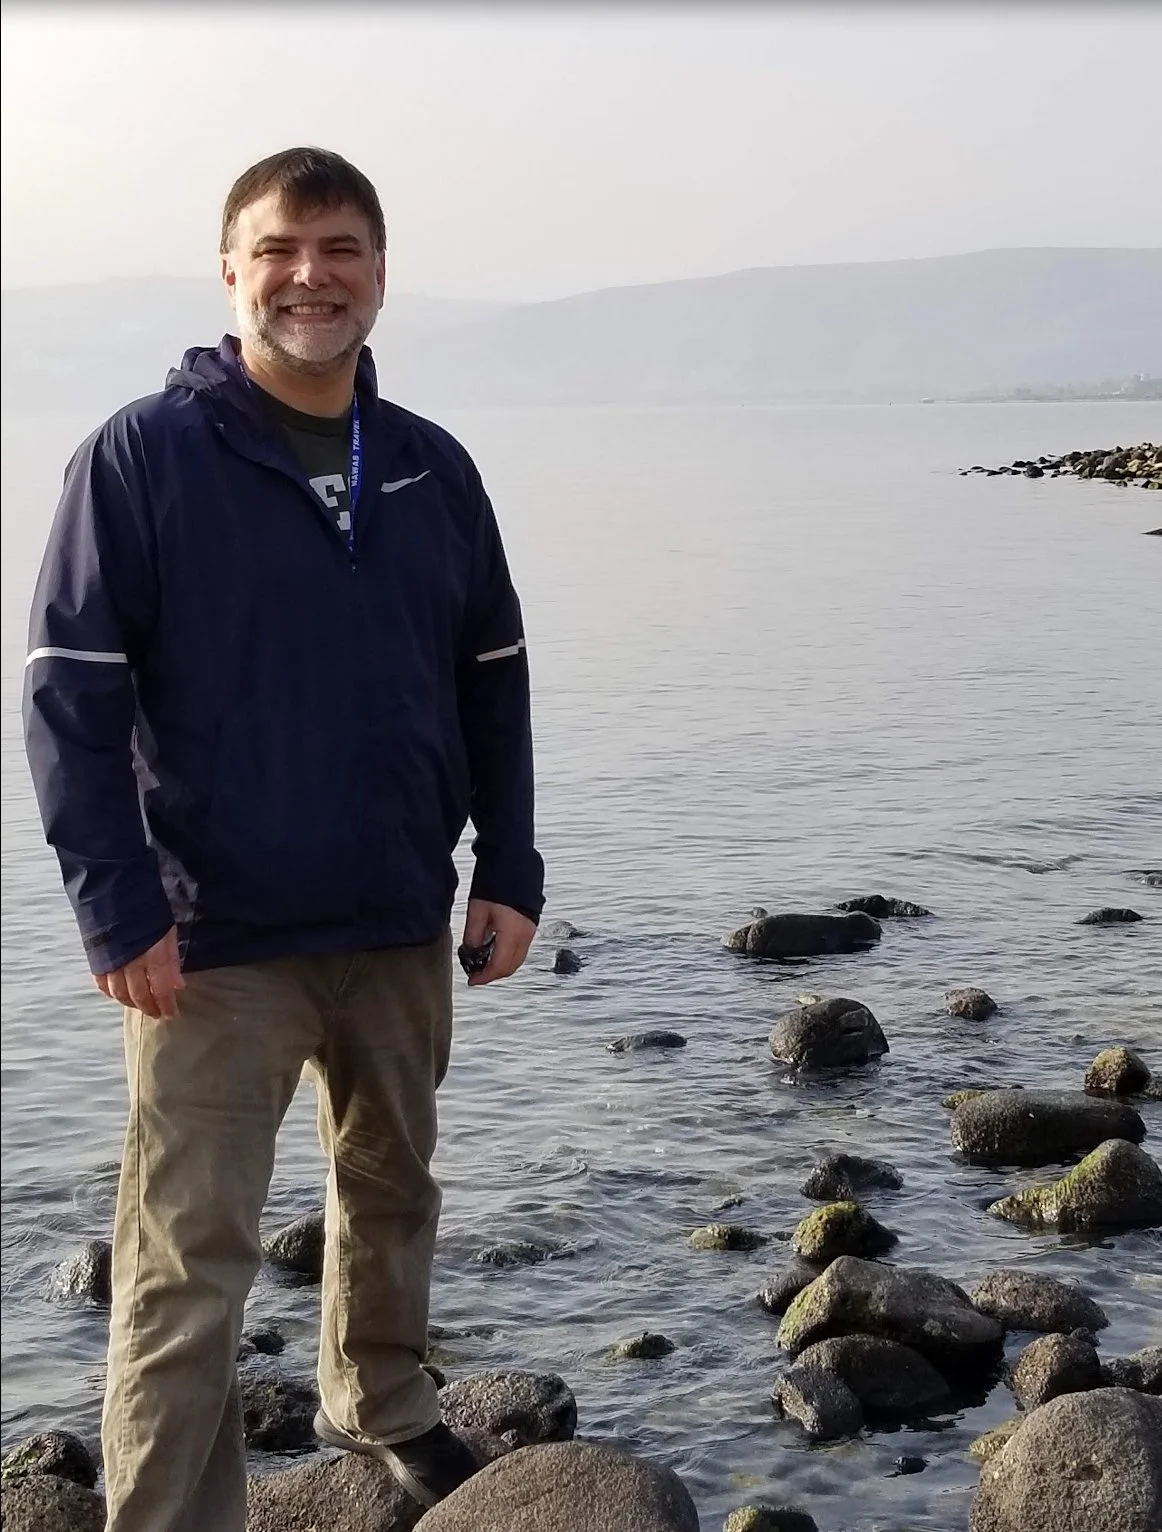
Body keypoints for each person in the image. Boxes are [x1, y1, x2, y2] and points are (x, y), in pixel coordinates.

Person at [22, 146, 544, 1530]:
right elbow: (70, 694)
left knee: (393, 1190)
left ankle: (383, 1405)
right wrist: (116, 907)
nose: (310, 276)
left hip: (394, 915)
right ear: (230, 271)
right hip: (212, 940)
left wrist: (509, 868)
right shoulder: (144, 455)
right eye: (279, 249)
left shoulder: (430, 466)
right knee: (187, 1257)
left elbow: (492, 675)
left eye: (340, 249)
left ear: (380, 273)